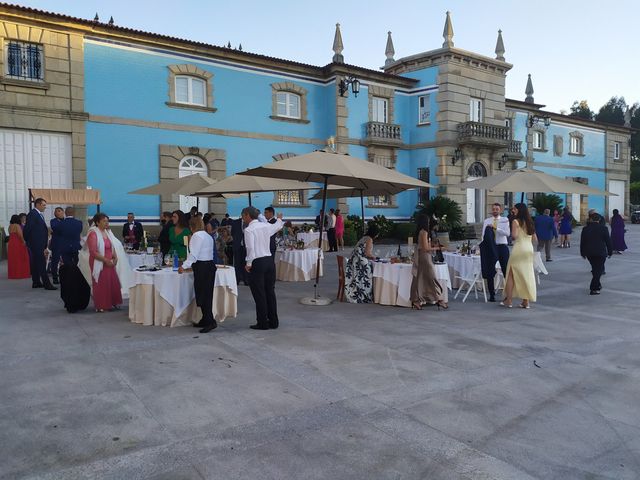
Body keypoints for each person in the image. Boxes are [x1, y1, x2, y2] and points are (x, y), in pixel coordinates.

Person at [242, 206, 283, 330]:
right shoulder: (265, 226)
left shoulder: (249, 230)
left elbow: (250, 249)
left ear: (248, 215)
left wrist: (248, 264)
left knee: (259, 293)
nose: (243, 218)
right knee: (270, 292)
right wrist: (279, 219)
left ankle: (262, 322)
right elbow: (277, 226)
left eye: (243, 216)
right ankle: (274, 321)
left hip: (258, 262)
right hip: (269, 261)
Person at [179, 216, 217, 333]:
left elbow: (193, 255)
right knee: (207, 293)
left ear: (192, 226)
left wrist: (184, 266)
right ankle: (205, 319)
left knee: (203, 294)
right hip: (210, 265)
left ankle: (210, 321)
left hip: (202, 267)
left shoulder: (196, 236)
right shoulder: (207, 235)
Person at [501, 203, 537, 309]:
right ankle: (526, 301)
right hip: (529, 249)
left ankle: (509, 300)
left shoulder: (516, 221)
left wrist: (513, 223)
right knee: (526, 274)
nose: (513, 210)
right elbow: (535, 239)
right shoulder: (530, 222)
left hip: (519, 248)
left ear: (519, 210)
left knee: (511, 274)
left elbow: (514, 236)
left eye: (515, 209)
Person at [85, 213, 124, 312]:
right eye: (104, 221)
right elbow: (93, 252)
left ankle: (112, 302)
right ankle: (101, 305)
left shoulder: (107, 232)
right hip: (99, 261)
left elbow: (112, 247)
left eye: (107, 221)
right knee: (101, 283)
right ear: (97, 222)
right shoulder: (93, 233)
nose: (107, 223)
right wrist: (105, 260)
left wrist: (115, 258)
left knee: (112, 282)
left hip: (109, 262)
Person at [410, 215, 446, 310]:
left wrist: (433, 245)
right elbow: (425, 248)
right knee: (431, 277)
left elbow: (424, 245)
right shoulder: (424, 232)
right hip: (425, 257)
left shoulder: (421, 232)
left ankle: (416, 299)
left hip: (422, 256)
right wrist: (438, 248)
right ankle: (438, 299)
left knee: (419, 278)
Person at [23, 198, 56, 290]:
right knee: (41, 263)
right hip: (36, 243)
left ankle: (36, 282)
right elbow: (27, 229)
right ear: (37, 204)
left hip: (39, 243)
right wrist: (28, 241)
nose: (45, 207)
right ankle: (47, 284)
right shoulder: (33, 214)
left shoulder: (38, 214)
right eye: (44, 205)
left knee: (35, 263)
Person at [482, 203, 511, 302]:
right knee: (490, 270)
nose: (495, 211)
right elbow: (483, 235)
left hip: (502, 246)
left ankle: (508, 294)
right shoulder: (487, 221)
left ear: (500, 210)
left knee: (505, 269)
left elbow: (507, 233)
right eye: (493, 209)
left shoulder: (505, 220)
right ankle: (492, 294)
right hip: (491, 247)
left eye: (497, 209)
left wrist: (495, 228)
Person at [344, 224, 378, 303]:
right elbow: (367, 253)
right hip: (360, 262)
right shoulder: (369, 239)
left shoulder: (363, 237)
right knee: (370, 270)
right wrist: (375, 257)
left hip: (354, 261)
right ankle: (365, 294)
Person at [581, 212, 613, 295]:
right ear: (599, 220)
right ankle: (594, 288)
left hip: (589, 253)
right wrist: (610, 252)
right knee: (598, 270)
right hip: (600, 252)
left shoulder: (585, 229)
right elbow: (608, 242)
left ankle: (597, 285)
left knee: (596, 269)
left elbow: (583, 242)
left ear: (591, 219)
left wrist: (582, 253)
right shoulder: (604, 228)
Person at [7, 214, 30, 279]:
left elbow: (10, 234)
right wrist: (23, 242)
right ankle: (21, 274)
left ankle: (13, 274)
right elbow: (20, 235)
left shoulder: (10, 226)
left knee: (13, 259)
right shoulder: (17, 226)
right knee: (21, 258)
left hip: (11, 243)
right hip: (18, 243)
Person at [47, 207, 65, 284]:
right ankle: (55, 277)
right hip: (56, 244)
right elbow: (55, 227)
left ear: (63, 212)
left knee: (66, 261)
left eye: (58, 211)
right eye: (55, 211)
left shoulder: (67, 221)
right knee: (55, 261)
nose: (57, 212)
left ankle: (65, 277)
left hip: (65, 244)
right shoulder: (53, 221)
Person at [231, 216, 247, 286]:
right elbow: (232, 233)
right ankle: (237, 279)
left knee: (246, 263)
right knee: (237, 263)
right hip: (237, 246)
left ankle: (246, 280)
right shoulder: (235, 222)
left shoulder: (249, 222)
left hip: (246, 247)